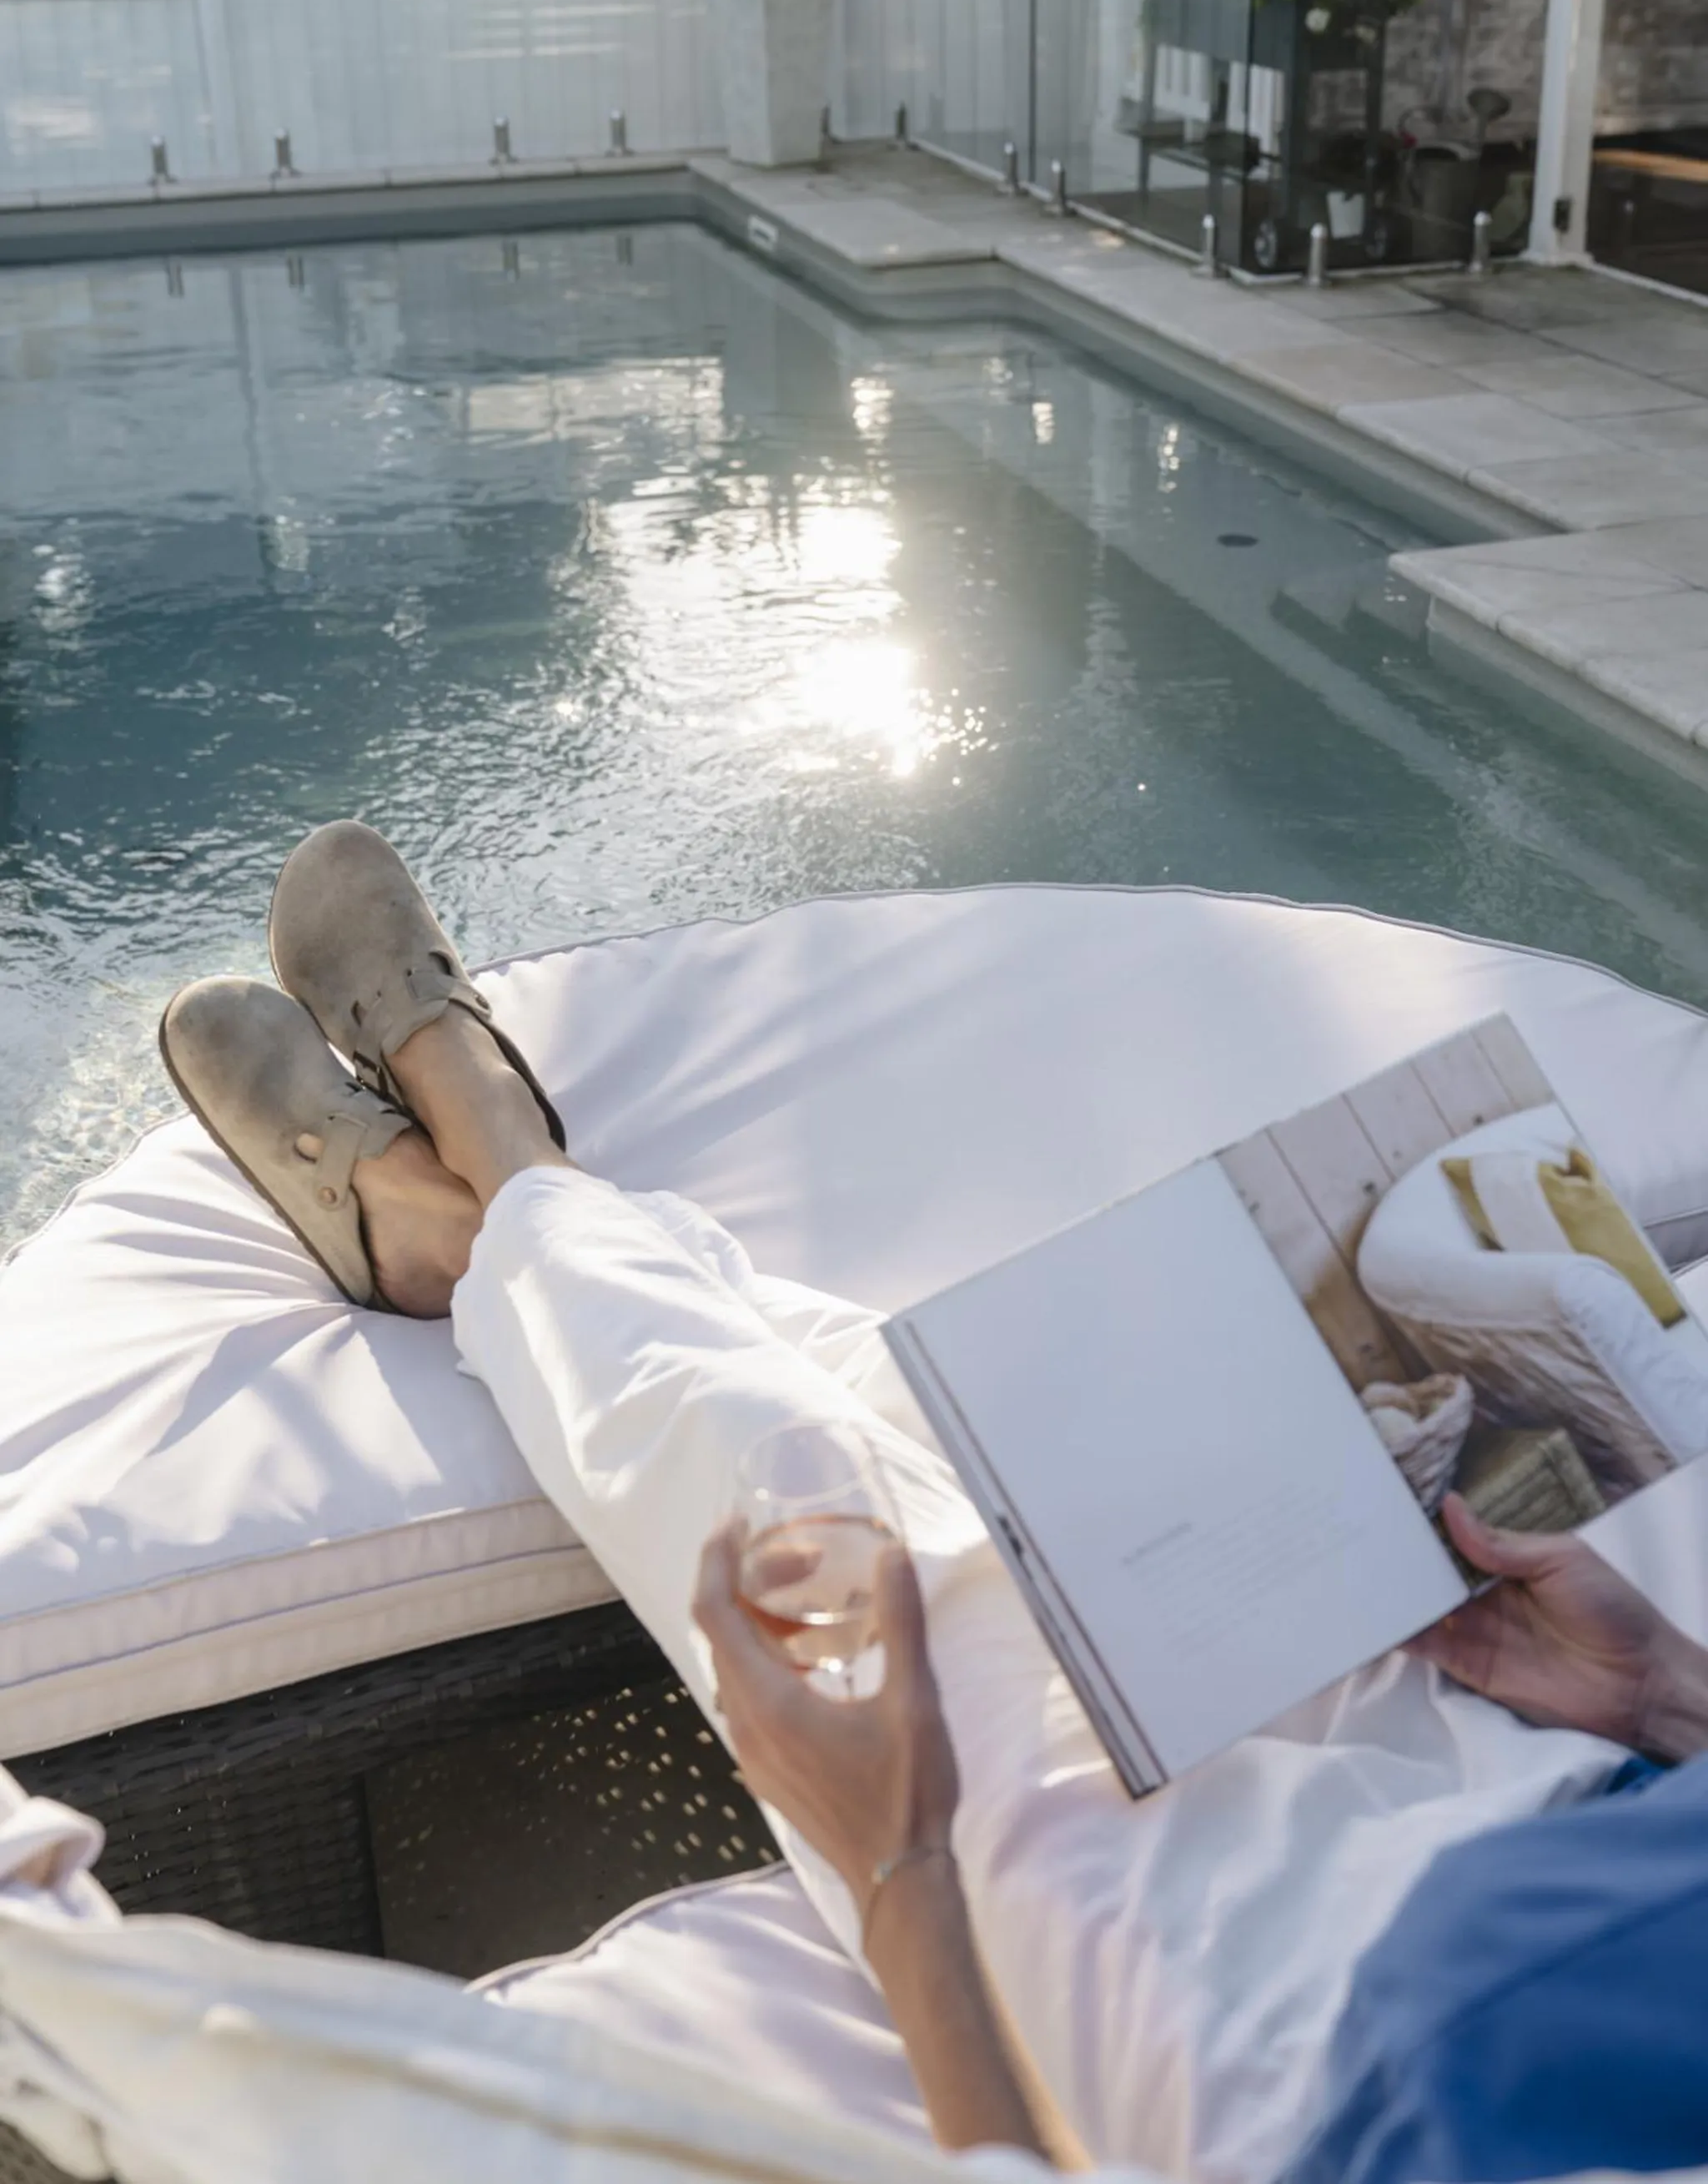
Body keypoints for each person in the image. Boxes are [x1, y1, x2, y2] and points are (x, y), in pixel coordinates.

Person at [160, 822, 1708, 2184]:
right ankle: (501, 1213)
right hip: (1580, 1784)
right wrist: (1665, 1690)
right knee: (988, 1448)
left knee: (810, 1515)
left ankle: (490, 1178)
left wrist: (901, 1869)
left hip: (1297, 2043)